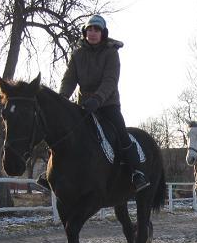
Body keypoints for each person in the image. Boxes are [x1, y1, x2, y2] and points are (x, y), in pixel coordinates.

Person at [41, 14, 149, 193]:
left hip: (108, 104)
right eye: (89, 30)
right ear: (85, 32)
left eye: (96, 30)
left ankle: (136, 172)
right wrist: (60, 101)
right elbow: (69, 80)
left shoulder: (111, 53)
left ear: (103, 33)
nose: (92, 33)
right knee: (59, 129)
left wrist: (97, 99)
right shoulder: (77, 54)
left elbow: (110, 81)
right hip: (83, 106)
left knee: (121, 133)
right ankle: (49, 173)